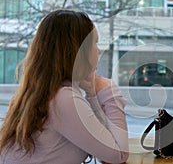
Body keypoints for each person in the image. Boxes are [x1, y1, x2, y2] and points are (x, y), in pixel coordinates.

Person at [0, 9, 129, 164]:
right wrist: (109, 91)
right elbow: (118, 155)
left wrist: (92, 94)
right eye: (94, 43)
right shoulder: (64, 99)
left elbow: (104, 145)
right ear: (77, 50)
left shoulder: (46, 93)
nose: (99, 51)